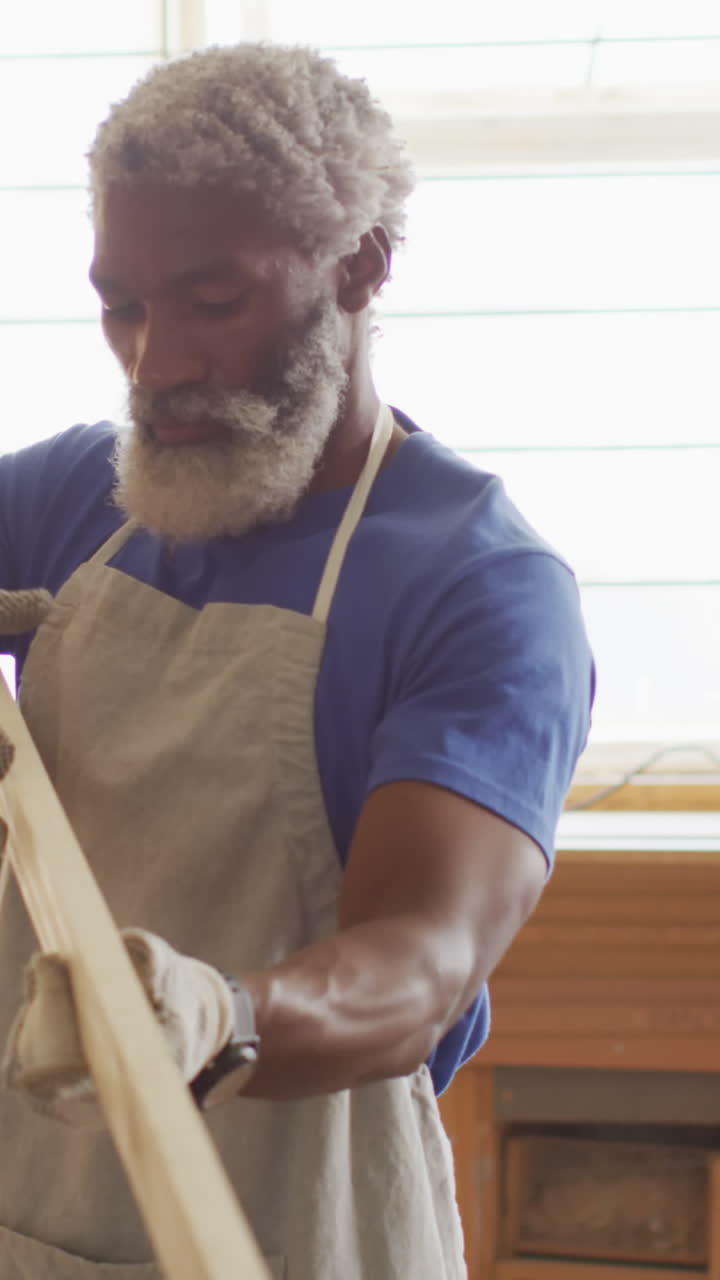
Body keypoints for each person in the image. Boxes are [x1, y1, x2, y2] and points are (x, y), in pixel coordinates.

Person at [0, 42, 594, 1280]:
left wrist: (217, 1015)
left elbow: (420, 962)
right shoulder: (76, 496)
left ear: (362, 265)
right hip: (34, 1207)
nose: (156, 361)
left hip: (299, 1226)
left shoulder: (479, 583)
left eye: (214, 302)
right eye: (123, 303)